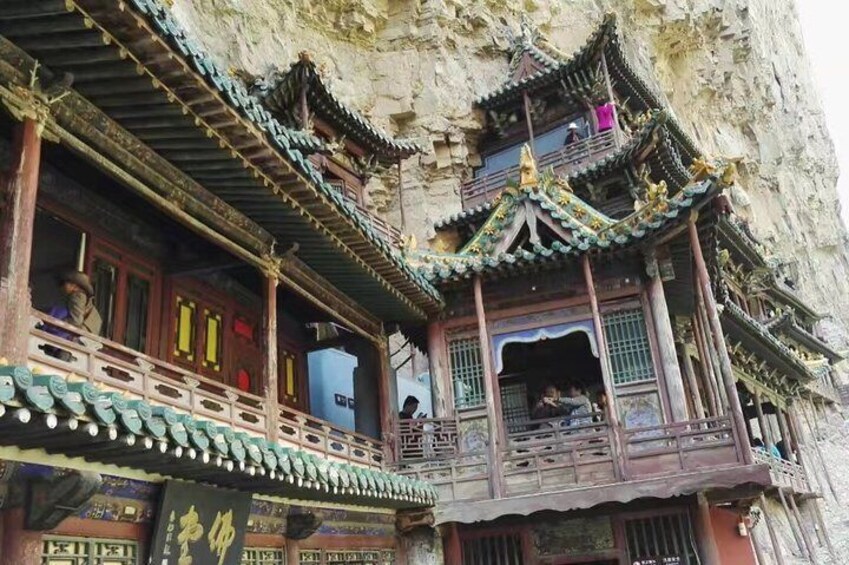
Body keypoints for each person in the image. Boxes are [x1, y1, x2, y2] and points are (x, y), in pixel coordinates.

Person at [42, 271, 102, 360]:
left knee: (62, 358)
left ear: (74, 286)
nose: (63, 286)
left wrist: (58, 323)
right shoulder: (82, 298)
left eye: (65, 283)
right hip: (86, 339)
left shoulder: (77, 296)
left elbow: (76, 320)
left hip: (80, 337)